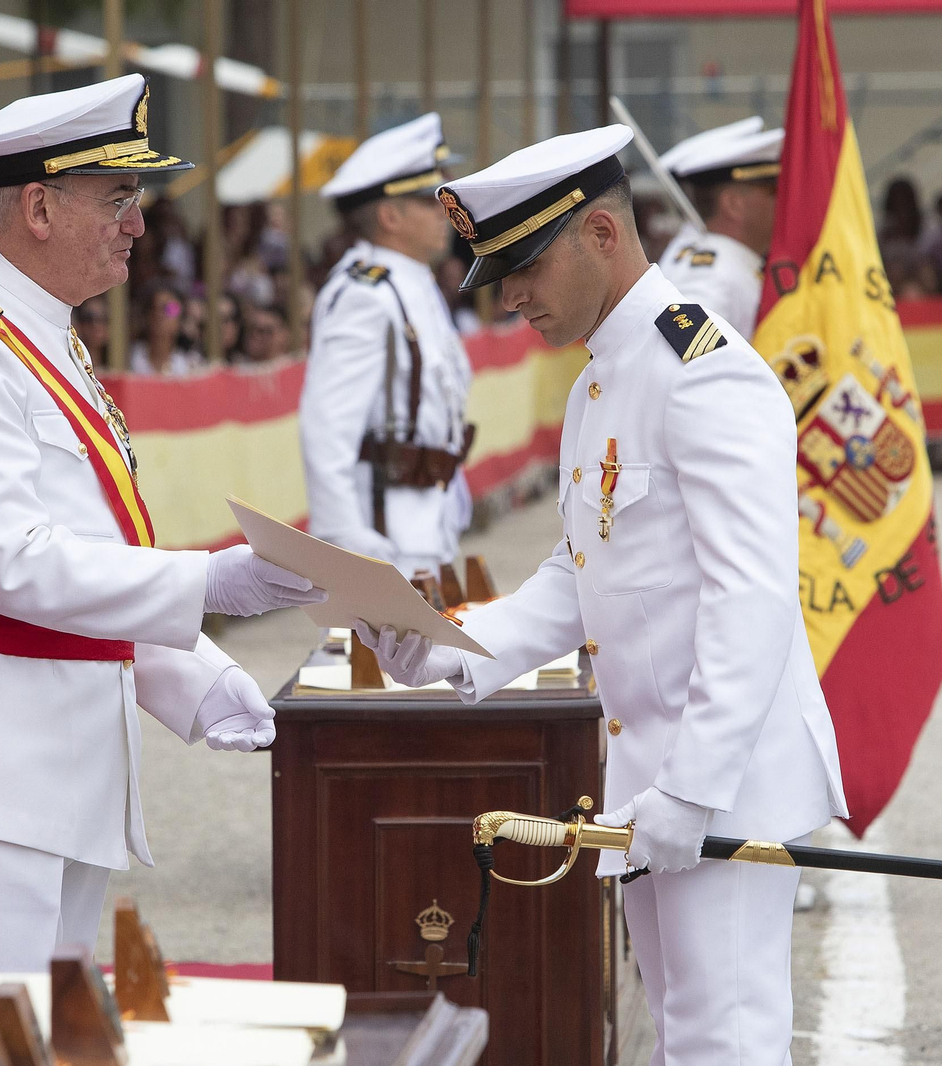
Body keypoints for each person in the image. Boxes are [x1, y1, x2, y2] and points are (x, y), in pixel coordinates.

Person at [0, 74, 326, 1021]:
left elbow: (91, 558)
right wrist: (215, 580)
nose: (139, 224)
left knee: (44, 1033)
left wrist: (198, 678)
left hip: (56, 756)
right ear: (41, 207)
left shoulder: (41, 336)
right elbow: (13, 565)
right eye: (119, 198)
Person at [361, 125, 846, 1066]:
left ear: (600, 235)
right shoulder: (599, 383)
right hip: (656, 786)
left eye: (525, 267)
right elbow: (585, 574)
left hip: (723, 784)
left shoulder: (703, 373)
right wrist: (451, 644)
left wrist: (695, 790)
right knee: (680, 1032)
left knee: (726, 1042)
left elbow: (753, 599)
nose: (510, 298)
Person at [299, 113, 474, 573]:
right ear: (389, 215)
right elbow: (327, 428)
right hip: (383, 527)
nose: (445, 210)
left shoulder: (411, 280)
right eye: (429, 200)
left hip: (422, 522)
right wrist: (345, 541)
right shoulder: (365, 294)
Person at [656, 117, 782, 338]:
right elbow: (692, 358)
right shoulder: (709, 275)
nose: (784, 200)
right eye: (772, 191)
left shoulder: (725, 262)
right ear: (734, 204)